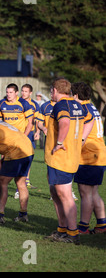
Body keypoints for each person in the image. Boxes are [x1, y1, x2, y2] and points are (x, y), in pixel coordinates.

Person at [44, 78, 93, 245]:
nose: (51, 94)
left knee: (64, 195)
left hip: (61, 158)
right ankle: (62, 229)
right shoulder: (77, 104)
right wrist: (81, 141)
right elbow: (90, 119)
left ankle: (72, 233)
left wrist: (59, 143)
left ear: (55, 91)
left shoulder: (60, 105)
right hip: (70, 156)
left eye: (51, 91)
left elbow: (64, 123)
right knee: (55, 192)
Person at [71, 82, 106, 235]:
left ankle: (83, 227)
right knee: (93, 192)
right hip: (99, 153)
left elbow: (80, 135)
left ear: (76, 95)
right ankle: (102, 224)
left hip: (88, 155)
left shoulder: (82, 109)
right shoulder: (91, 106)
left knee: (85, 192)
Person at [0, 83, 34, 199]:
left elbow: (30, 123)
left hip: (19, 141)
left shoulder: (23, 104)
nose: (8, 94)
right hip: (6, 140)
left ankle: (19, 190)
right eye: (7, 92)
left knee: (19, 167)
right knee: (2, 165)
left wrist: (24, 137)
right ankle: (0, 191)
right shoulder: (2, 103)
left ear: (16, 93)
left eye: (11, 92)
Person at [20, 84, 40, 189]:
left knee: (28, 157)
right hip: (18, 133)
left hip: (30, 134)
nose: (23, 93)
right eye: (22, 91)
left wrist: (37, 132)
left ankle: (27, 180)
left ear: (30, 93)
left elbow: (36, 120)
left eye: (26, 91)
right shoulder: (17, 102)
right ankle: (2, 178)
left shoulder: (35, 104)